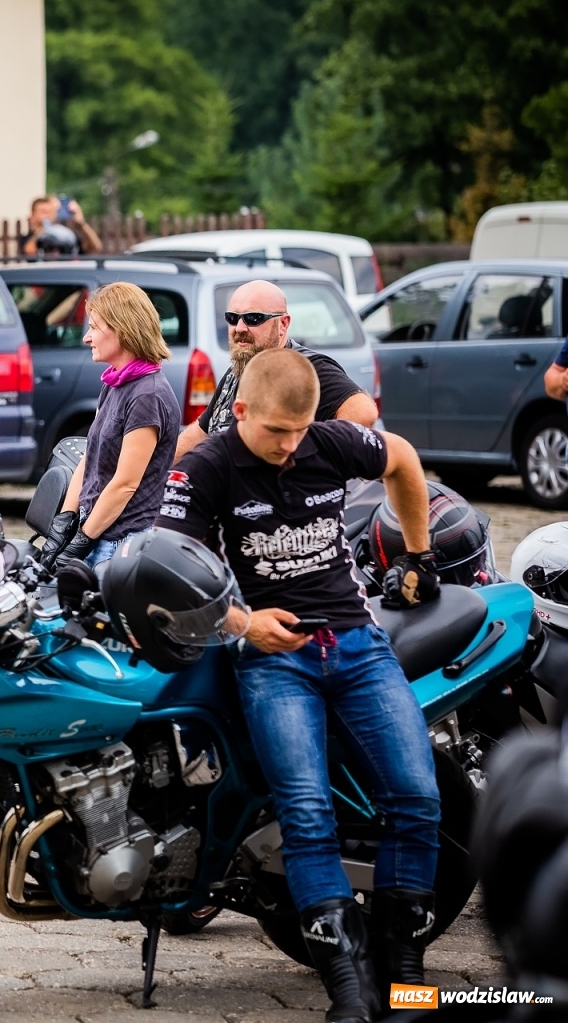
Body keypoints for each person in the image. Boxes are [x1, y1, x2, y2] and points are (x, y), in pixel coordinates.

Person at [157, 348, 441, 1023]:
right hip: (271, 658)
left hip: (358, 644)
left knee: (418, 799)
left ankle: (405, 978)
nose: (290, 446)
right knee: (306, 817)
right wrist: (243, 623)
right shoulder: (206, 467)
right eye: (275, 432)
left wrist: (417, 552)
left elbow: (400, 458)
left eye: (301, 431)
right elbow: (168, 566)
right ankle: (348, 989)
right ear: (243, 410)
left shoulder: (332, 441)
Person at [38, 282, 179, 570]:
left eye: (94, 328)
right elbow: (90, 456)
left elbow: (125, 484)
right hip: (97, 533)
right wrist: (65, 518)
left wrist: (81, 540)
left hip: (121, 542)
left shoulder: (147, 394)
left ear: (123, 330)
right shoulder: (115, 382)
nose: (87, 338)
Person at [176, 279, 377, 459]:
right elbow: (201, 433)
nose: (239, 328)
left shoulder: (303, 368)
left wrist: (305, 460)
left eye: (253, 318)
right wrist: (158, 470)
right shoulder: (238, 370)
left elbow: (363, 414)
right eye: (232, 318)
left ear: (283, 323)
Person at [22, 194, 101, 257]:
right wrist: (44, 228)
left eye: (51, 211)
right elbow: (30, 252)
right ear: (32, 215)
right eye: (43, 212)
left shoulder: (68, 235)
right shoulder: (28, 238)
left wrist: (81, 223)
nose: (48, 215)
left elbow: (95, 248)